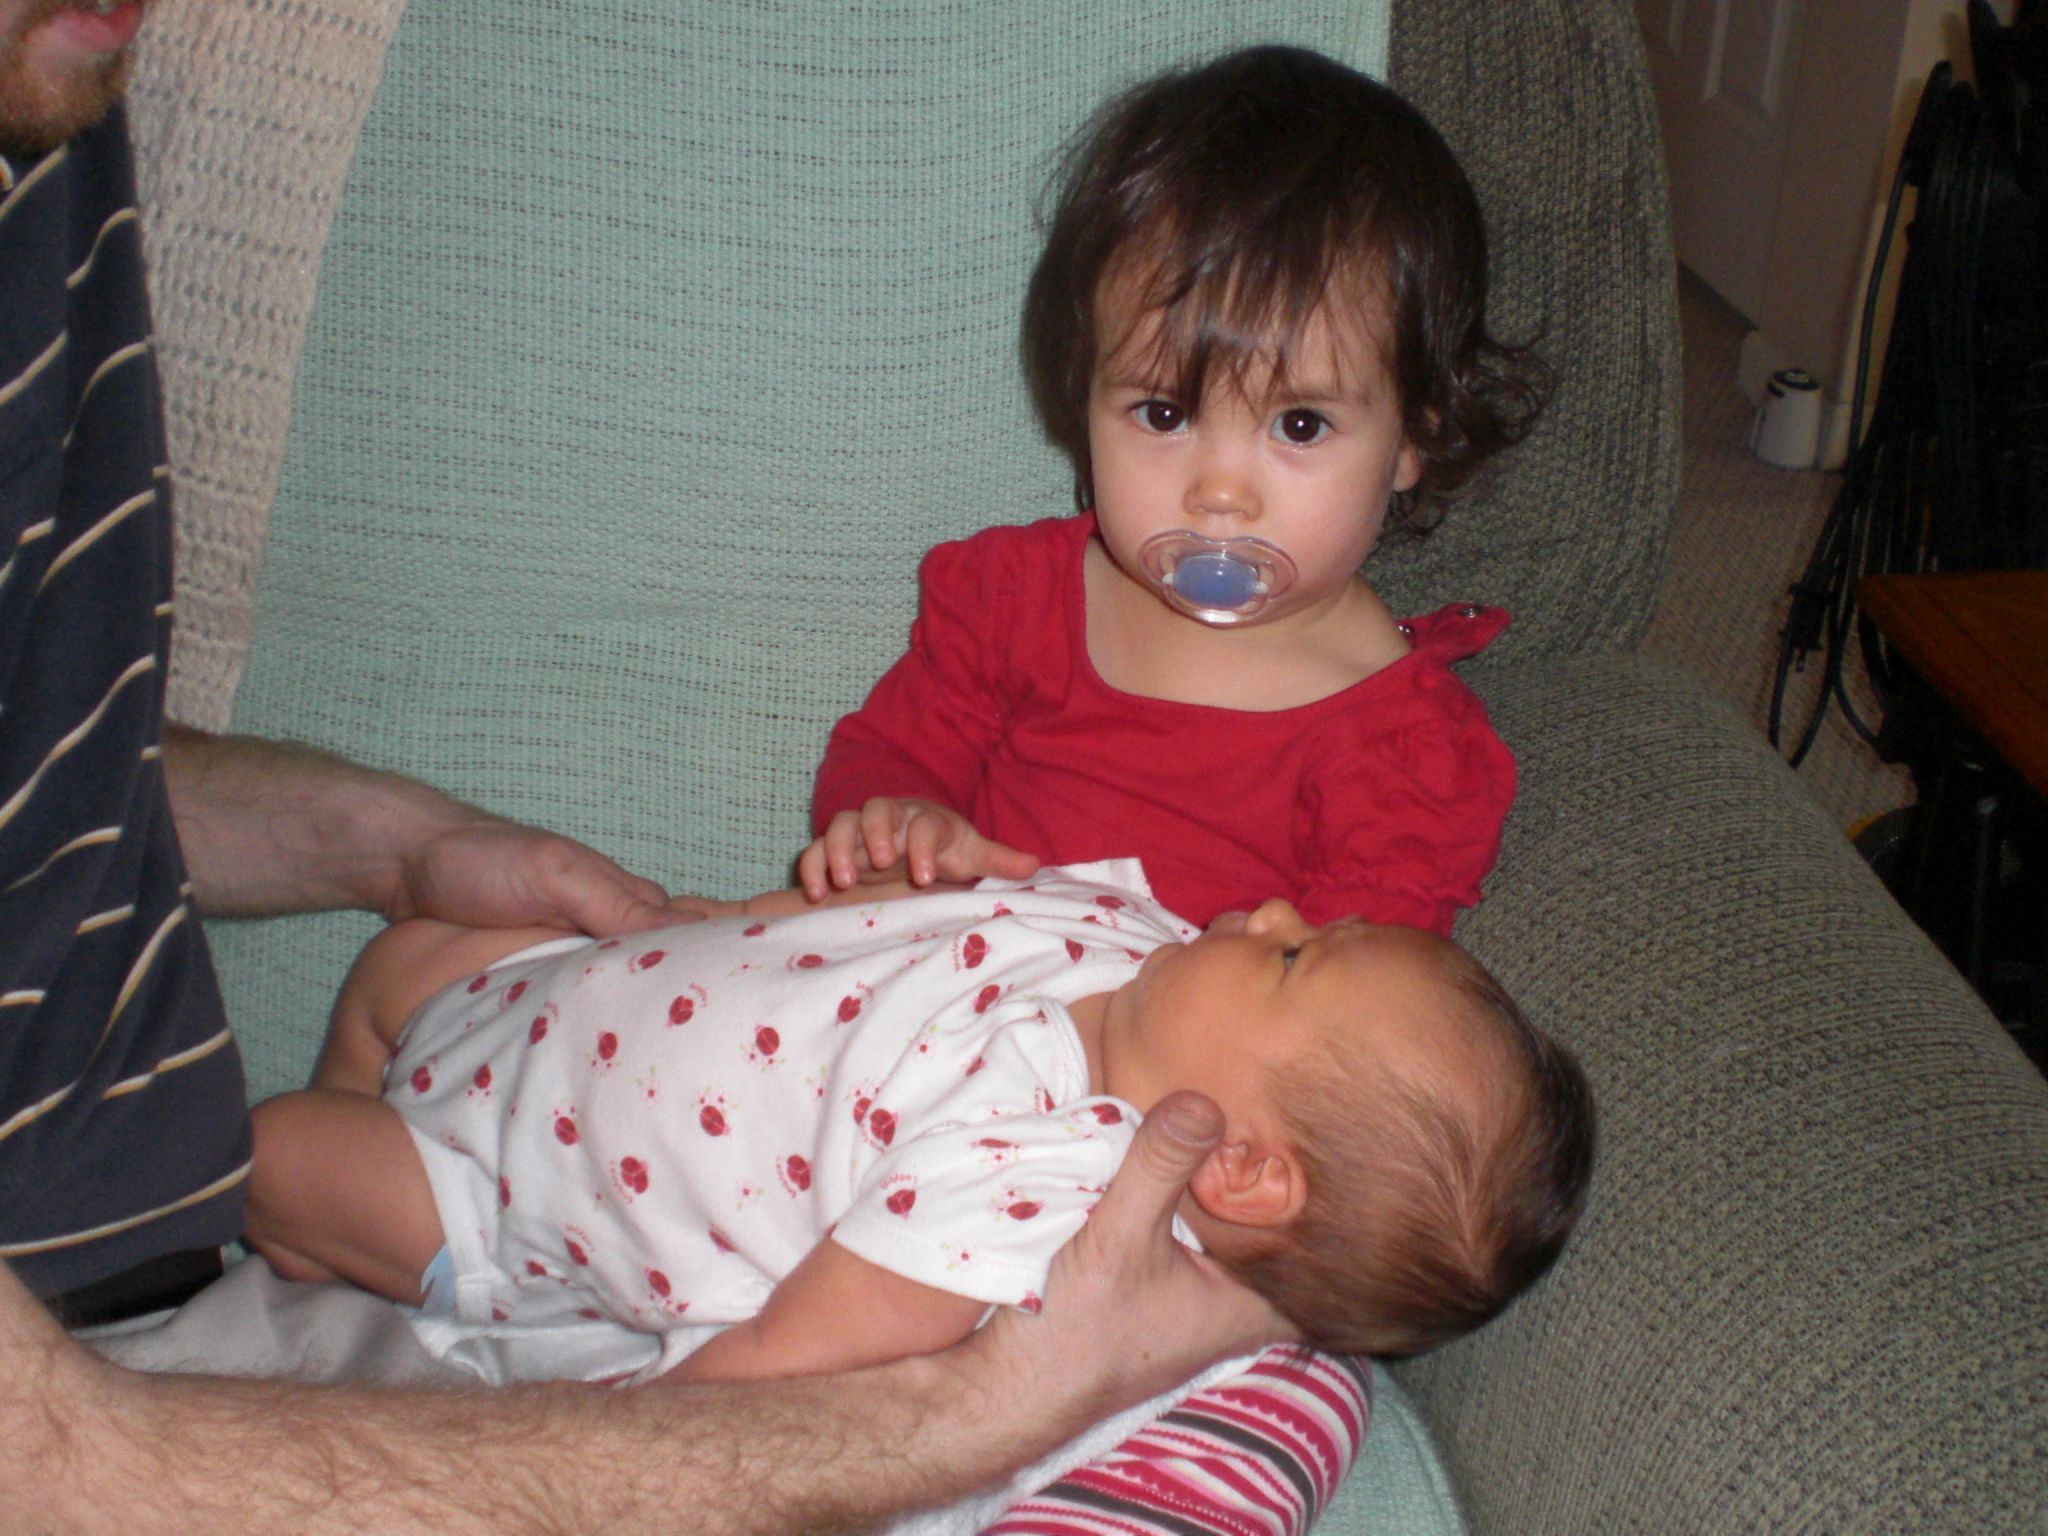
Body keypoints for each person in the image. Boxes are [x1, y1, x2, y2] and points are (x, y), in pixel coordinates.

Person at [0, 4, 1291, 1529]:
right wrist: (965, 1411)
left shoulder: (53, 124)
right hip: (114, 1405)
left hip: (326, 1218)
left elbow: (60, 737)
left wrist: (404, 849)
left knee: (1277, 1370)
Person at [244, 861, 1593, 1380]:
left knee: (273, 1154)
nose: (1279, 910)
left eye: (1295, 960)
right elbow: (916, 919)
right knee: (402, 957)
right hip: (560, 990)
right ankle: (326, 1226)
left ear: (1240, 1168)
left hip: (502, 1193)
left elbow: (789, 1356)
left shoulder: (1028, 1199)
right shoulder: (1133, 933)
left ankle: (329, 1244)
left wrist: (616, 1442)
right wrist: (812, 890)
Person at [802, 46, 1548, 938]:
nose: (1219, 493)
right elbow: (889, 755)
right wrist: (898, 826)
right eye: (1163, 413)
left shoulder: (1399, 751)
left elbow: (1355, 998)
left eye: (1299, 425)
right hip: (924, 988)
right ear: (1085, 397)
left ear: (1413, 441)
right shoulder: (1013, 604)